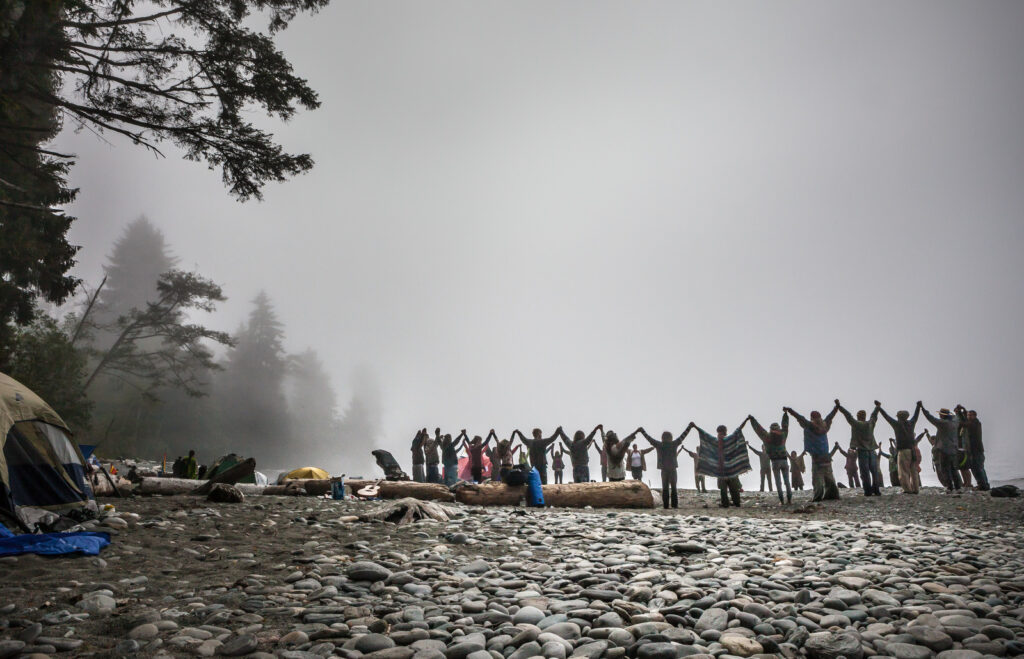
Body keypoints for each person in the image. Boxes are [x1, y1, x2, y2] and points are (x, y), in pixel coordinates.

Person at [785, 405, 840, 501]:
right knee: (829, 478)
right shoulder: (825, 425)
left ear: (812, 418)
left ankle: (818, 496)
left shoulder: (811, 426)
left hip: (817, 458)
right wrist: (836, 407)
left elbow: (800, 418)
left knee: (817, 479)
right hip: (826, 457)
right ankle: (833, 494)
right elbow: (831, 416)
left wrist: (790, 410)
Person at [692, 421, 750, 507]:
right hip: (731, 469)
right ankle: (736, 502)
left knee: (723, 490)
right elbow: (738, 430)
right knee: (734, 488)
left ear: (718, 431)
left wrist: (695, 426)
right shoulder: (729, 439)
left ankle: (725, 503)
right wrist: (746, 420)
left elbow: (704, 434)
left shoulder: (714, 441)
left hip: (721, 470)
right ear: (725, 431)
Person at [834, 400, 881, 496]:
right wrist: (877, 407)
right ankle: (876, 489)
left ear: (858, 417)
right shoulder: (870, 423)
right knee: (874, 472)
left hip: (862, 451)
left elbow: (848, 416)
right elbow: (874, 415)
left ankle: (868, 491)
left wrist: (839, 406)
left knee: (865, 472)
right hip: (872, 450)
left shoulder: (856, 424)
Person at [638, 427, 689, 509]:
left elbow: (649, 439)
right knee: (674, 487)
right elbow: (683, 436)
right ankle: (674, 505)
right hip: (672, 469)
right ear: (671, 438)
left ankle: (666, 505)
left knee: (665, 488)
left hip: (664, 469)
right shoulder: (674, 444)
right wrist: (690, 427)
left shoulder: (659, 445)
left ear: (662, 438)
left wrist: (642, 431)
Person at [877, 402, 922, 493]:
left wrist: (879, 408)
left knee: (903, 471)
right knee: (913, 471)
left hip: (903, 451)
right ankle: (916, 489)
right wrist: (918, 407)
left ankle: (907, 489)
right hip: (912, 450)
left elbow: (887, 417)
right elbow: (916, 415)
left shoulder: (896, 424)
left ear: (898, 417)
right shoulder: (911, 423)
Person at [748, 412, 791, 504]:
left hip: (775, 462)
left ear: (770, 429)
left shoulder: (767, 437)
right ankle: (789, 499)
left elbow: (758, 429)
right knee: (787, 481)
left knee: (778, 483)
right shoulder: (783, 435)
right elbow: (785, 425)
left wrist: (752, 420)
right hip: (784, 460)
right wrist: (785, 415)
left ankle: (782, 501)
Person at [921, 404, 963, 492]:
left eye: (940, 414)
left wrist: (923, 409)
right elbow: (957, 417)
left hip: (944, 449)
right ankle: (958, 487)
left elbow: (930, 418)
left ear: (943, 415)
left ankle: (949, 487)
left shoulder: (942, 423)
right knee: (953, 469)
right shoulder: (955, 422)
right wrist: (958, 411)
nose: (939, 415)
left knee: (945, 469)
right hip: (954, 448)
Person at [958, 407, 990, 490]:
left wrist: (959, 414)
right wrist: (963, 410)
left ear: (975, 416)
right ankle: (983, 484)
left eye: (970, 415)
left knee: (978, 468)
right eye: (968, 415)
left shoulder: (975, 423)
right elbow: (965, 422)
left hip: (977, 450)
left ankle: (983, 485)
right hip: (973, 450)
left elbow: (964, 423)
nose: (968, 416)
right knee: (976, 468)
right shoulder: (972, 423)